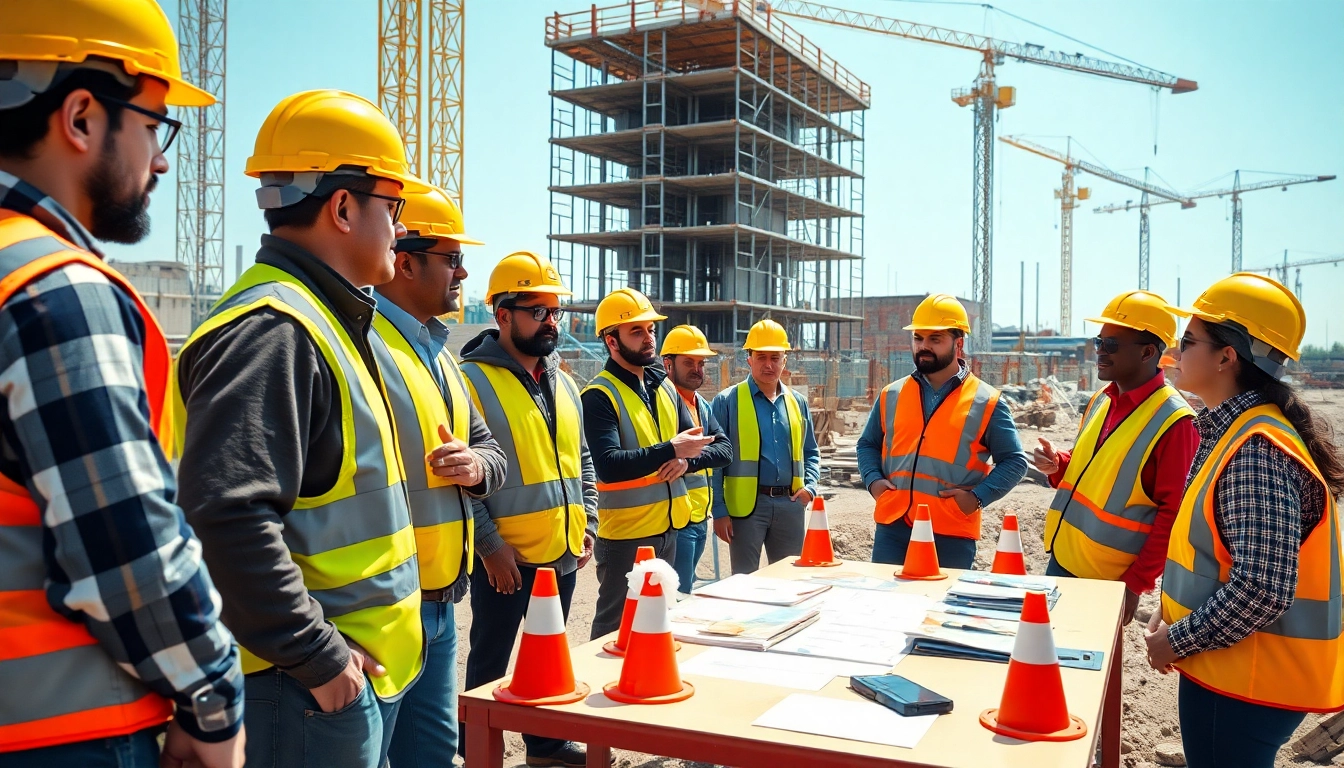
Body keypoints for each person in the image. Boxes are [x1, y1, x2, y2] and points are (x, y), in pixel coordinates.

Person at [0, 2, 245, 766]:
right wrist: (213, 703)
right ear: (79, 116)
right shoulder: (52, 288)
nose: (162, 160)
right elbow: (126, 550)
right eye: (153, 126)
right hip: (62, 735)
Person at [171, 90, 428, 768]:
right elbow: (225, 513)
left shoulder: (315, 318)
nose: (400, 232)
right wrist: (319, 659)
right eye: (392, 208)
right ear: (343, 208)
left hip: (332, 685)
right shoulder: (276, 331)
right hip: (303, 694)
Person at [1145, 273, 1344, 768]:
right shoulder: (1232, 429)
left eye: (1188, 341)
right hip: (1234, 669)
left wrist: (1176, 639)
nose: (1175, 350)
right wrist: (1171, 611)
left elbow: (1262, 587)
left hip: (1248, 684)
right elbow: (1218, 554)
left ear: (1226, 357)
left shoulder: (1255, 451)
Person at [369, 186, 506, 766]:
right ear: (405, 262)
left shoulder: (442, 358)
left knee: (431, 756)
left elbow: (491, 453)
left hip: (442, 601)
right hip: (378, 613)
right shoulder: (364, 347)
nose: (463, 271)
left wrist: (476, 469)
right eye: (452, 259)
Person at [458, 251, 598, 768]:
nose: (551, 321)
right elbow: (455, 481)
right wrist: (491, 547)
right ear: (503, 315)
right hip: (506, 562)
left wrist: (588, 524)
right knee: (490, 663)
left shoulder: (564, 382)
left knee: (546, 659)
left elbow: (580, 460)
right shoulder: (469, 380)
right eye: (537, 311)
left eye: (555, 311)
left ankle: (544, 746)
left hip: (561, 553)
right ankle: (473, 752)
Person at [1033, 291, 1197, 624]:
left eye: (1111, 345)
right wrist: (1059, 465)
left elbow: (1174, 517)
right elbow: (1092, 467)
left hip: (1108, 581)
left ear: (1148, 352)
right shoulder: (1101, 400)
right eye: (1098, 342)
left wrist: (1134, 586)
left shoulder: (1177, 423)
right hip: (1064, 558)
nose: (1099, 353)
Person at [582, 288, 730, 639]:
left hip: (669, 530)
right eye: (637, 331)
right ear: (611, 341)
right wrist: (672, 450)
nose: (649, 338)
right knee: (614, 629)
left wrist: (686, 461)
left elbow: (711, 446)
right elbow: (609, 465)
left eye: (650, 329)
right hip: (626, 536)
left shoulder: (662, 388)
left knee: (659, 625)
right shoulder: (598, 395)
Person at [856, 294, 1027, 569]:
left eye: (935, 339)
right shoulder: (892, 394)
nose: (924, 346)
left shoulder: (987, 401)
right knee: (887, 608)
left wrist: (976, 499)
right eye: (918, 338)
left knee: (942, 611)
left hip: (949, 531)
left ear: (958, 345)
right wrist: (873, 481)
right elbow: (867, 444)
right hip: (893, 528)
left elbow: (1015, 461)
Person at [710, 319, 822, 574]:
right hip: (745, 510)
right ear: (748, 358)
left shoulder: (798, 403)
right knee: (744, 583)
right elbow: (714, 463)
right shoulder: (727, 401)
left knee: (790, 582)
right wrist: (719, 510)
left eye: (775, 357)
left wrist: (810, 488)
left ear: (785, 360)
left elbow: (811, 452)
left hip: (790, 505)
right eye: (761, 357)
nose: (768, 364)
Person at [660, 325, 730, 593]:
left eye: (701, 363)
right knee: (676, 598)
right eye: (688, 362)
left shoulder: (702, 404)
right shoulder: (662, 403)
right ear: (668, 364)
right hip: (678, 522)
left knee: (684, 596)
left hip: (701, 518)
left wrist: (689, 461)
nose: (697, 369)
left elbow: (725, 451)